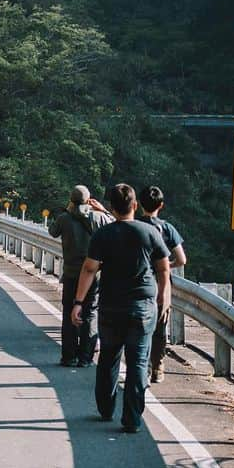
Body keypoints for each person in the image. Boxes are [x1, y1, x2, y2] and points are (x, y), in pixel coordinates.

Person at [71, 183, 170, 434]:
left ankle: (106, 408)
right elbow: (163, 269)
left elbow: (89, 269)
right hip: (143, 306)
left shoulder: (103, 235)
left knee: (108, 357)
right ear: (135, 206)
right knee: (138, 361)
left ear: (112, 208)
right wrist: (164, 298)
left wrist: (79, 302)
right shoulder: (149, 232)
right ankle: (132, 419)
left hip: (111, 306)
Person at [48, 185, 111, 367]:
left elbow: (52, 232)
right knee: (90, 312)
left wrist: (67, 210)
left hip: (70, 273)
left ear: (71, 199)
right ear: (89, 199)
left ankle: (68, 356)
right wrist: (103, 210)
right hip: (93, 274)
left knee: (69, 312)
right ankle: (85, 357)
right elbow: (117, 225)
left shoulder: (64, 218)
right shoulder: (99, 217)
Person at [138, 185, 187, 383]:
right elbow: (182, 259)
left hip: (138, 281)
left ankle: (144, 366)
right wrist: (165, 266)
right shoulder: (167, 228)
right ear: (161, 205)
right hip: (162, 282)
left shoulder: (134, 224)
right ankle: (158, 366)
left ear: (139, 204)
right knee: (160, 326)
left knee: (140, 326)